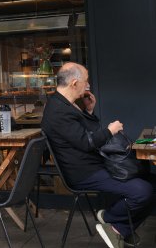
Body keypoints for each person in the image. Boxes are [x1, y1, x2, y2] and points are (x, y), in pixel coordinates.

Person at [42, 62, 155, 248]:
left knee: (152, 184)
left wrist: (89, 111)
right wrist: (111, 131)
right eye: (86, 82)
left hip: (95, 164)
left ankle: (118, 227)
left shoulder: (65, 104)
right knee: (143, 191)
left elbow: (88, 133)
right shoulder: (58, 110)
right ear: (74, 83)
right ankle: (112, 222)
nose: (88, 86)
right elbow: (87, 143)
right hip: (83, 173)